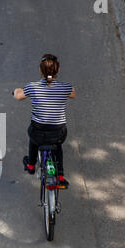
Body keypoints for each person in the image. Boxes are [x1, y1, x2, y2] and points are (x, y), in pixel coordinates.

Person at [12, 54, 76, 188]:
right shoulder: (65, 87)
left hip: (38, 132)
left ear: (40, 70)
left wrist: (16, 91)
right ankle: (60, 176)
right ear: (57, 70)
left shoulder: (32, 87)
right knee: (57, 146)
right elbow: (73, 94)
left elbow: (18, 96)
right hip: (58, 133)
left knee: (33, 138)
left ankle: (30, 165)